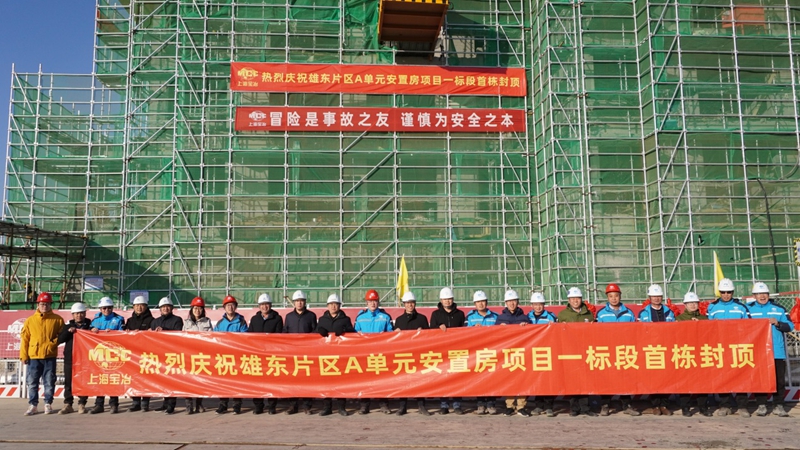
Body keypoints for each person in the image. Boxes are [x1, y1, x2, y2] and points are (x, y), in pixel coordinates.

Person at [748, 282, 793, 417]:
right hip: (757, 351)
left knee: (779, 380)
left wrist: (778, 323)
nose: (762, 296)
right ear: (754, 296)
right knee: (760, 379)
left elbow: (790, 326)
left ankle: (778, 405)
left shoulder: (779, 309)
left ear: (768, 295)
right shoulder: (748, 310)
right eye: (759, 294)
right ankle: (761, 405)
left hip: (777, 351)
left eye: (765, 294)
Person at [707, 278, 751, 417]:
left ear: (733, 292)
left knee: (741, 375)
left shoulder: (741, 307)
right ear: (719, 292)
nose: (726, 295)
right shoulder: (712, 307)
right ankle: (724, 405)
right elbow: (707, 327)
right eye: (723, 292)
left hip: (738, 346)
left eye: (729, 292)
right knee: (723, 376)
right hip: (720, 347)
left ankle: (742, 406)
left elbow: (750, 326)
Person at [595, 284, 640, 417]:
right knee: (606, 379)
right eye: (611, 296)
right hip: (607, 350)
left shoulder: (628, 313)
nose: (614, 298)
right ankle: (605, 405)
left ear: (620, 296)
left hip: (624, 350)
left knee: (625, 378)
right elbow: (596, 332)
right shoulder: (601, 314)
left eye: (616, 296)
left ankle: (627, 405)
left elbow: (634, 331)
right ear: (607, 298)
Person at [20, 292, 64, 416]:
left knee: (49, 381)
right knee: (32, 382)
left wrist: (52, 344)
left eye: (47, 304)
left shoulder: (57, 319)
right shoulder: (30, 321)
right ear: (38, 304)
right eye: (42, 304)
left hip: (50, 356)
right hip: (34, 356)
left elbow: (62, 336)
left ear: (50, 305)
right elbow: (25, 339)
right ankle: (33, 405)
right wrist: (23, 355)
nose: (44, 306)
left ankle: (48, 403)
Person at [557, 287, 596, 417]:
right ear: (569, 300)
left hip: (585, 351)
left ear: (581, 299)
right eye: (572, 299)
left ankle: (585, 407)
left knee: (585, 379)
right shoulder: (563, 315)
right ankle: (574, 408)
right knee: (572, 380)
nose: (575, 301)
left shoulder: (588, 314)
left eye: (577, 298)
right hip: (570, 351)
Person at [354, 289, 393, 414]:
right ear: (366, 302)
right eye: (370, 301)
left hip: (380, 355)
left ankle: (384, 404)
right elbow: (354, 335)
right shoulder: (360, 318)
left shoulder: (385, 317)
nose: (372, 303)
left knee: (383, 380)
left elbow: (391, 335)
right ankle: (364, 405)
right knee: (365, 380)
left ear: (378, 302)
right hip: (364, 354)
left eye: (375, 301)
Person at [316, 294, 355, 416]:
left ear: (339, 305)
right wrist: (319, 331)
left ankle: (341, 407)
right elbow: (314, 335)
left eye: (336, 304)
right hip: (325, 355)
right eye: (331, 304)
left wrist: (345, 330)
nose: (333, 306)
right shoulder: (322, 320)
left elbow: (353, 333)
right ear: (327, 306)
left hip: (340, 355)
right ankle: (327, 407)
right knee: (326, 382)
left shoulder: (345, 319)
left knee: (341, 381)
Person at [392, 291, 430, 416]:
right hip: (404, 356)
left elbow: (430, 336)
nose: (410, 305)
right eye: (407, 303)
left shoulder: (422, 319)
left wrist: (423, 332)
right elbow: (394, 340)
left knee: (420, 380)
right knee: (403, 381)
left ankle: (421, 406)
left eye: (412, 303)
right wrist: (395, 333)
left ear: (415, 304)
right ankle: (402, 406)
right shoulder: (399, 320)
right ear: (404, 304)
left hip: (418, 354)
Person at [429, 287, 466, 415]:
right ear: (441, 300)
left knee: (457, 378)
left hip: (457, 351)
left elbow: (464, 331)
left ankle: (457, 405)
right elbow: (431, 331)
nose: (447, 301)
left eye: (449, 299)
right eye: (445, 299)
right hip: (442, 351)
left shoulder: (460, 314)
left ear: (453, 299)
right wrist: (438, 327)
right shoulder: (436, 314)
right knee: (443, 378)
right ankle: (444, 405)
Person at [675, 292, 713, 417]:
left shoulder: (704, 319)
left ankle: (703, 407)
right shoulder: (679, 319)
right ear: (685, 305)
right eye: (689, 303)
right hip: (685, 353)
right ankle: (685, 407)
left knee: (703, 382)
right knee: (685, 382)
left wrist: (701, 325)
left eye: (695, 303)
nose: (692, 305)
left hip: (701, 353)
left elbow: (710, 335)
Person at [496, 289, 532, 417]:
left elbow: (532, 334)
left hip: (521, 352)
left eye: (514, 301)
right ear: (505, 303)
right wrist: (499, 329)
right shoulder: (500, 318)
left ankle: (521, 406)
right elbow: (493, 336)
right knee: (509, 379)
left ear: (518, 302)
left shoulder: (524, 317)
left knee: (522, 379)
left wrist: (526, 326)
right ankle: (509, 406)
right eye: (509, 301)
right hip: (506, 353)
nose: (512, 303)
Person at [248, 293, 283, 415]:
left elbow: (279, 336)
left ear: (270, 305)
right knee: (257, 381)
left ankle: (272, 406)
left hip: (271, 355)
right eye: (262, 304)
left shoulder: (277, 318)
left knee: (272, 381)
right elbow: (249, 336)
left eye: (266, 304)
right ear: (259, 306)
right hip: (257, 355)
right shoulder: (254, 319)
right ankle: (258, 405)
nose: (264, 307)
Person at [283, 289, 317, 414]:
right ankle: (293, 405)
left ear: (305, 302)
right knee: (292, 379)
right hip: (292, 353)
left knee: (307, 380)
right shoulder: (289, 317)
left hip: (307, 353)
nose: (299, 303)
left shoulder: (311, 316)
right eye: (297, 301)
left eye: (301, 301)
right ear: (294, 302)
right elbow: (285, 332)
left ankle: (307, 406)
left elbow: (315, 332)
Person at [214, 295, 249, 414]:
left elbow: (245, 338)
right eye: (228, 305)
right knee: (223, 381)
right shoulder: (220, 323)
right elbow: (214, 338)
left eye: (232, 305)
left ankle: (237, 404)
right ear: (224, 307)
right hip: (223, 357)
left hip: (237, 357)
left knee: (237, 381)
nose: (230, 307)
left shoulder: (241, 322)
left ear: (236, 307)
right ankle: (223, 404)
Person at [527, 292, 560, 417]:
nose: (538, 307)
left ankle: (549, 406)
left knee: (548, 379)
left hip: (548, 351)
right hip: (533, 352)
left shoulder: (551, 317)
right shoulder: (527, 317)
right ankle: (538, 405)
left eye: (540, 304)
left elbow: (557, 332)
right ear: (532, 305)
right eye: (535, 304)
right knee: (537, 380)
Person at [90, 296, 125, 414]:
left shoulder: (118, 319)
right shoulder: (95, 320)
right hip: (100, 355)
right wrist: (92, 330)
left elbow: (123, 335)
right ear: (100, 309)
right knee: (100, 379)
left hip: (114, 354)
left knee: (113, 379)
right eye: (104, 308)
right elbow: (87, 334)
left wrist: (114, 333)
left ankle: (114, 404)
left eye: (109, 308)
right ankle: (99, 404)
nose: (107, 310)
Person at [466, 290, 499, 415]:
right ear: (475, 304)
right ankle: (480, 404)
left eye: (483, 301)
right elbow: (463, 334)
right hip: (477, 353)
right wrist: (473, 329)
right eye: (478, 302)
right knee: (479, 378)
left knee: (492, 378)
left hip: (492, 352)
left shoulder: (495, 316)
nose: (481, 304)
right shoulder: (470, 317)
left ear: (487, 302)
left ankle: (491, 404)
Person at [150, 297, 184, 414]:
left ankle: (171, 405)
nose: (165, 308)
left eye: (168, 306)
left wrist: (164, 330)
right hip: (159, 354)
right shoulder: (155, 322)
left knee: (171, 380)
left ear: (172, 308)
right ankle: (164, 403)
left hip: (171, 354)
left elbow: (178, 335)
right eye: (163, 307)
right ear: (160, 309)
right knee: (162, 380)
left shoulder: (177, 320)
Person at [58, 302, 92, 414]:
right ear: (73, 315)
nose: (79, 315)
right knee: (68, 382)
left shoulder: (90, 325)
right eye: (76, 313)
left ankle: (82, 403)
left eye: (81, 313)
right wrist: (68, 332)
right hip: (70, 359)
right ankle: (68, 404)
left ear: (85, 313)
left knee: (83, 381)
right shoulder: (68, 326)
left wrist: (93, 331)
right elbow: (59, 340)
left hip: (85, 359)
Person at [183, 296, 212, 414]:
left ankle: (199, 404)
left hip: (201, 356)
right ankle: (188, 405)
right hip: (188, 356)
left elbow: (211, 337)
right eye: (195, 308)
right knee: (187, 380)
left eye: (200, 308)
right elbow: (181, 338)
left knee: (200, 381)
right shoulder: (186, 323)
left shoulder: (207, 322)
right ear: (191, 309)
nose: (197, 310)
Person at [125, 295, 154, 412]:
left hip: (146, 354)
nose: (139, 307)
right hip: (133, 355)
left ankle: (145, 402)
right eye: (136, 305)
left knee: (146, 378)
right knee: (134, 378)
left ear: (146, 307)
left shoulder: (151, 320)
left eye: (141, 305)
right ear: (133, 307)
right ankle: (135, 402)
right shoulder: (130, 321)